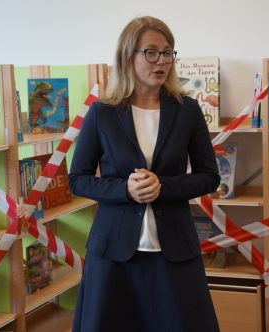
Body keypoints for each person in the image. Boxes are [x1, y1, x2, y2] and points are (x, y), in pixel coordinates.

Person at [68, 15, 220, 332]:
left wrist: (162, 186)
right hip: (114, 253)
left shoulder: (187, 110)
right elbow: (78, 179)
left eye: (168, 52)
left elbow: (209, 176)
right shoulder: (102, 113)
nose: (161, 60)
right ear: (128, 55)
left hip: (174, 250)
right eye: (151, 52)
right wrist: (125, 190)